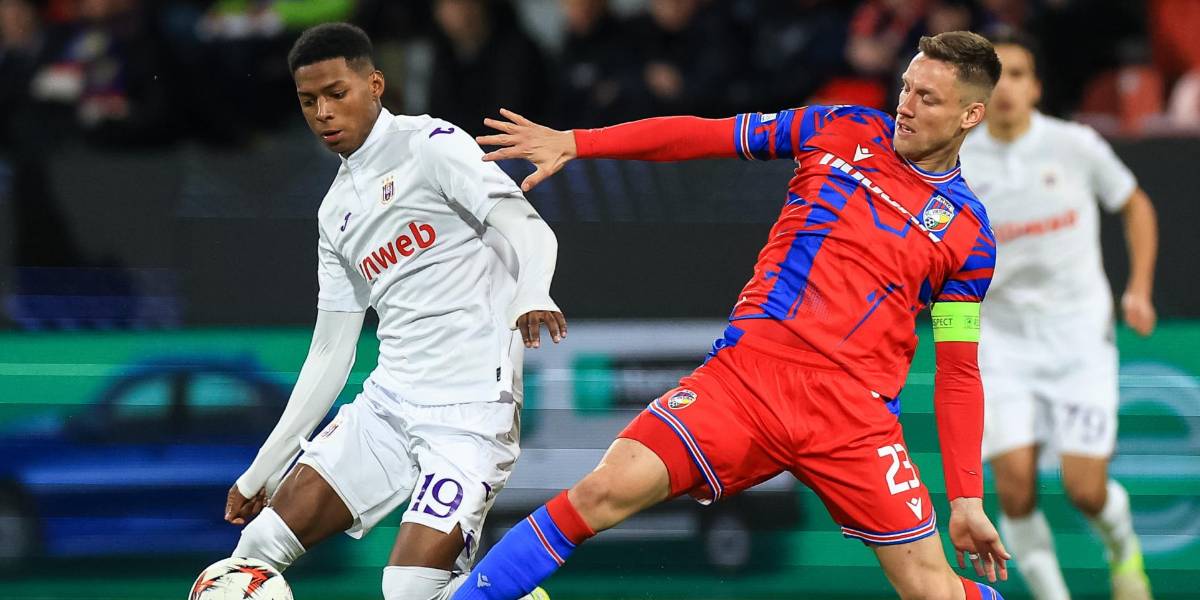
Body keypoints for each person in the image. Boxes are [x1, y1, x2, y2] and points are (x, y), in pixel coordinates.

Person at [452, 30, 1009, 600]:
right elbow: (703, 134)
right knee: (599, 494)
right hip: (746, 381)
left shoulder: (969, 236)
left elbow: (958, 371)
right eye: (906, 87)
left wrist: (966, 499)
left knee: (934, 591)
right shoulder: (838, 128)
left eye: (927, 98)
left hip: (854, 416)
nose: (906, 106)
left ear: (971, 115)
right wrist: (578, 142)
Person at [221, 22, 562, 600]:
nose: (323, 113)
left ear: (375, 85)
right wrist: (261, 471)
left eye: (337, 93)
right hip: (389, 405)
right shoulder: (334, 212)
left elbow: (528, 227)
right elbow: (330, 353)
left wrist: (533, 291)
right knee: (254, 552)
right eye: (308, 101)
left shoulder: (431, 145)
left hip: (470, 414)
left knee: (408, 590)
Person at [959, 33, 1158, 600]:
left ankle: (1123, 551)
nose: (1007, 88)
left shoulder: (1075, 145)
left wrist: (1139, 288)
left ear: (1037, 87)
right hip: (1001, 343)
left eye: (1019, 74)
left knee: (1085, 491)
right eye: (996, 76)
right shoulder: (960, 160)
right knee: (1015, 491)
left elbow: (1135, 204)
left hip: (1079, 340)